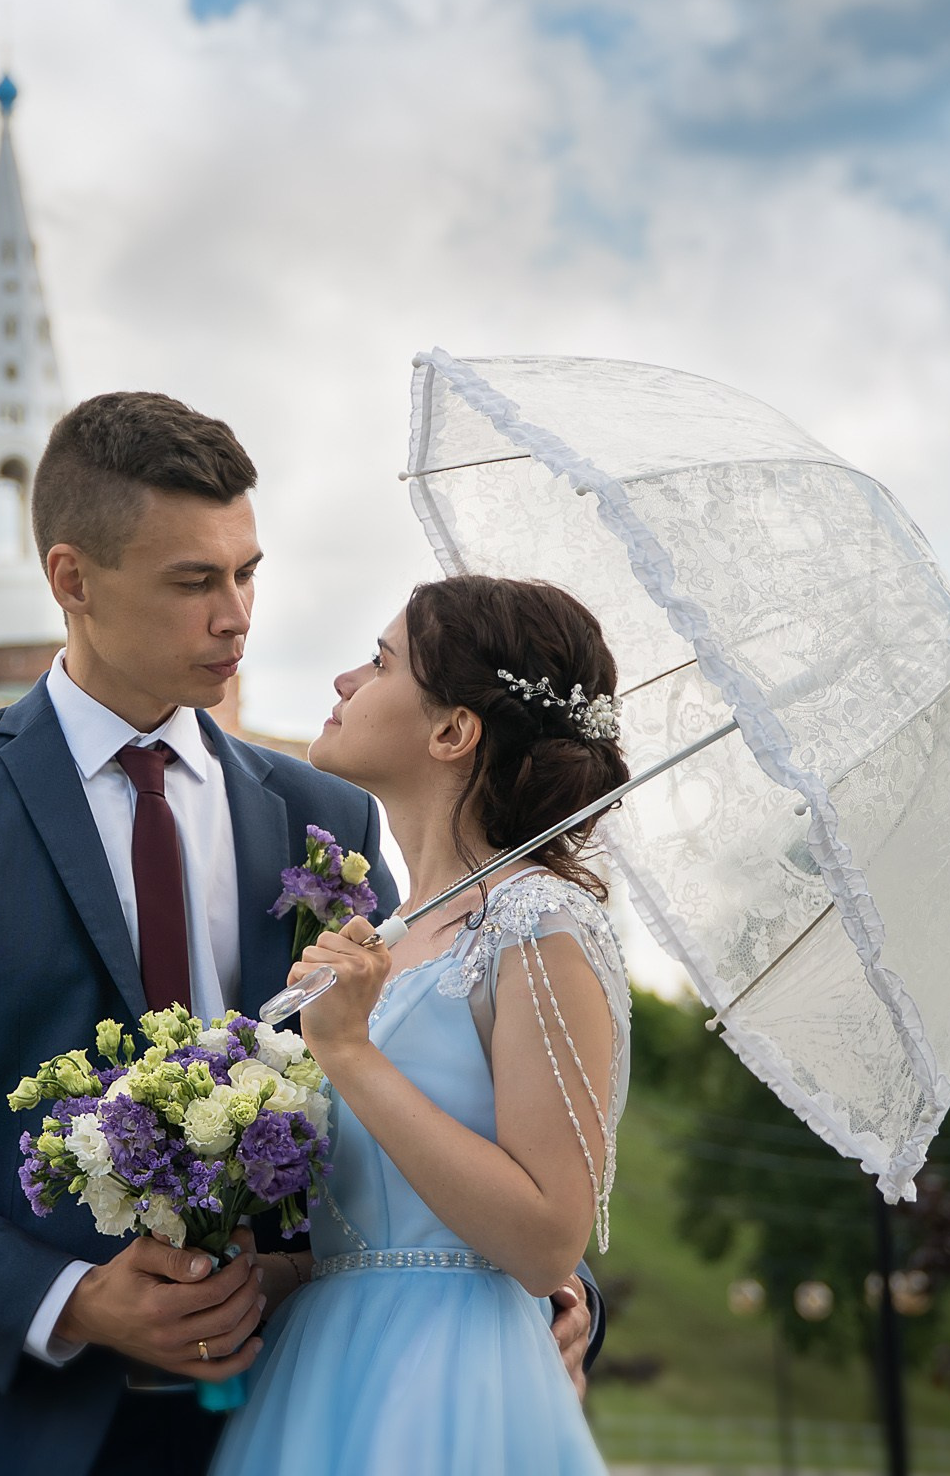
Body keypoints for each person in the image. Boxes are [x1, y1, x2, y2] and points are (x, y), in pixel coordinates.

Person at [0, 393, 600, 1476]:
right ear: (72, 579)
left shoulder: (331, 814)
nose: (237, 616)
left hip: (296, 1412)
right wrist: (71, 1299)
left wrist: (538, 1282)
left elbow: (408, 1081)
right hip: (14, 1430)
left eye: (247, 571)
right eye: (192, 581)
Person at [211, 575, 632, 1475]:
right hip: (322, 1363)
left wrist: (350, 1052)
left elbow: (546, 1236)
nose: (344, 682)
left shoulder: (542, 922)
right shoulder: (388, 935)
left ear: (452, 730)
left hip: (453, 1382)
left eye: (379, 662)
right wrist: (265, 1271)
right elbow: (376, 1220)